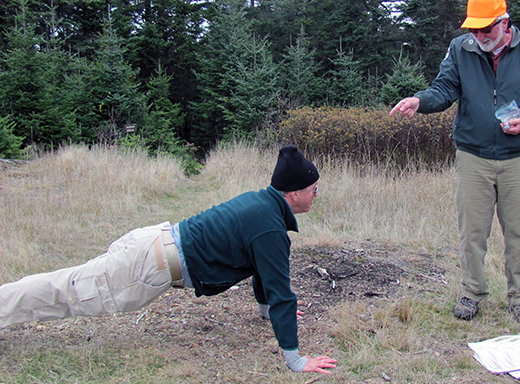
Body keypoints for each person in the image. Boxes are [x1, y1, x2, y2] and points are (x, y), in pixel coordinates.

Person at [0, 145, 337, 375]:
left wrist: (266, 313)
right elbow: (280, 290)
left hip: (152, 246)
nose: (316, 196)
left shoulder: (261, 205)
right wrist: (295, 359)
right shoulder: (269, 228)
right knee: (68, 291)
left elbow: (262, 273)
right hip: (148, 265)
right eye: (315, 189)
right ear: (295, 193)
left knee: (71, 284)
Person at [389, 0, 520, 324]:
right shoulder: (460, 49)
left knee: (519, 231)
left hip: (517, 158)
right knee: (472, 231)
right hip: (473, 157)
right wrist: (419, 101)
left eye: (486, 29)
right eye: (474, 29)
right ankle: (471, 292)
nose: (479, 36)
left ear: (504, 23)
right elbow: (444, 89)